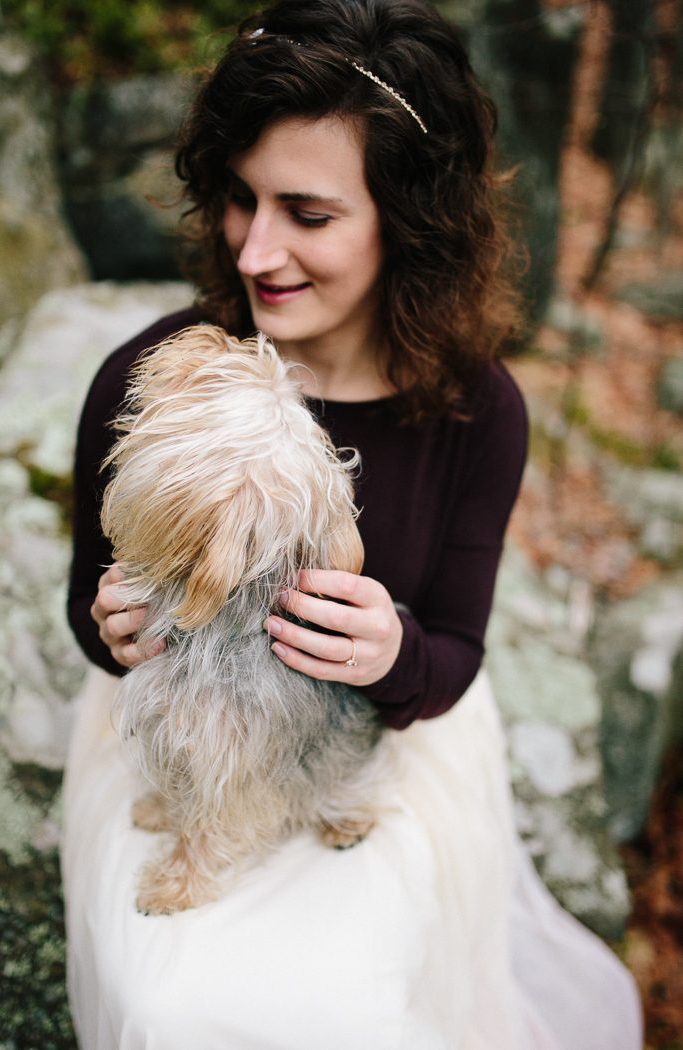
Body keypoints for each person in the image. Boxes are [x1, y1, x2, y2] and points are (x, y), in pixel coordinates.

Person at [62, 1, 643, 1047]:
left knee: (344, 1002)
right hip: (172, 740)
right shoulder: (155, 381)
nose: (254, 251)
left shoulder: (477, 410)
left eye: (307, 213)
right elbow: (86, 603)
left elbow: (454, 655)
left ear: (406, 219)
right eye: (241, 200)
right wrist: (110, 627)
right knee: (171, 998)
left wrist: (390, 650)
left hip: (380, 737)